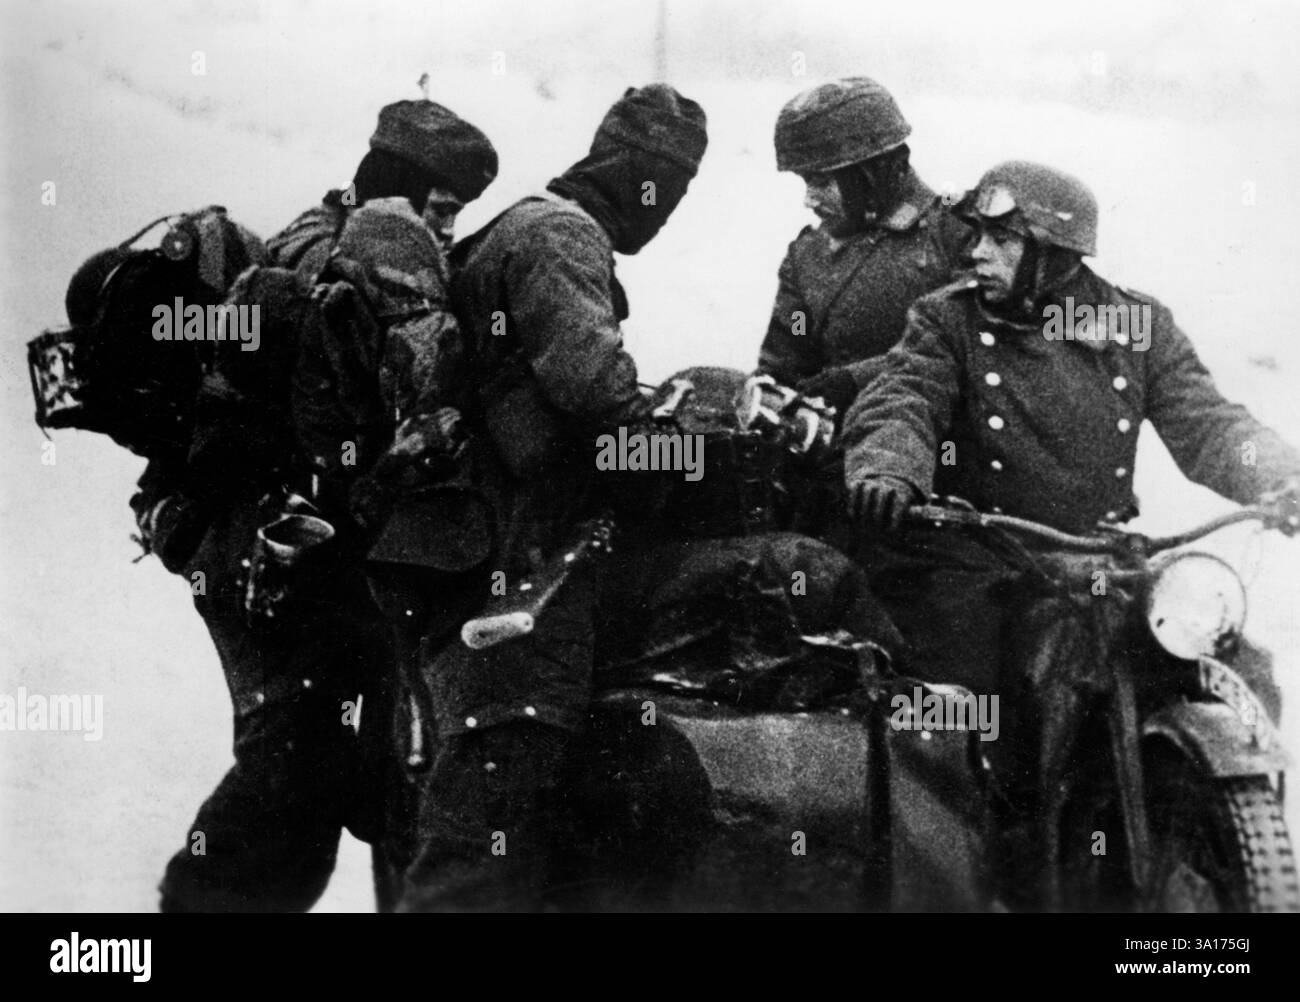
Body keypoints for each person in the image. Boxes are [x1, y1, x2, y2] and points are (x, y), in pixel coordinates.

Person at [841, 159, 1300, 906]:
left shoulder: (1134, 325)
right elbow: (903, 399)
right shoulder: (948, 320)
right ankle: (977, 881)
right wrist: (890, 470)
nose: (975, 255)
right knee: (959, 716)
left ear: (1052, 256)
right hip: (985, 554)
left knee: (1233, 663)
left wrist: (1282, 476)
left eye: (998, 241)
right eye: (977, 239)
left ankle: (1228, 850)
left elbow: (1210, 425)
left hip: (1100, 557)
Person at [143, 99, 498, 912]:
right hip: (262, 541)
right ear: (400, 188)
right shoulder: (365, 254)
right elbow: (336, 432)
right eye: (441, 208)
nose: (445, 229)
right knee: (295, 768)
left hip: (266, 541)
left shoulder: (321, 234)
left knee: (366, 761)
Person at [398, 83, 709, 911]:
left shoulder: (516, 228)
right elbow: (593, 393)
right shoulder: (563, 235)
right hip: (522, 566)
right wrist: (692, 453)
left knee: (504, 820)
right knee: (486, 823)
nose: (668, 212)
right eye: (669, 190)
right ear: (639, 177)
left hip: (479, 556)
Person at [756, 77, 970, 418]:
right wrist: (767, 391)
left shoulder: (959, 237)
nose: (808, 199)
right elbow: (787, 357)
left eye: (821, 181)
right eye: (805, 181)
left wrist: (856, 379)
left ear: (875, 172)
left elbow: (971, 350)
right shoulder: (808, 258)